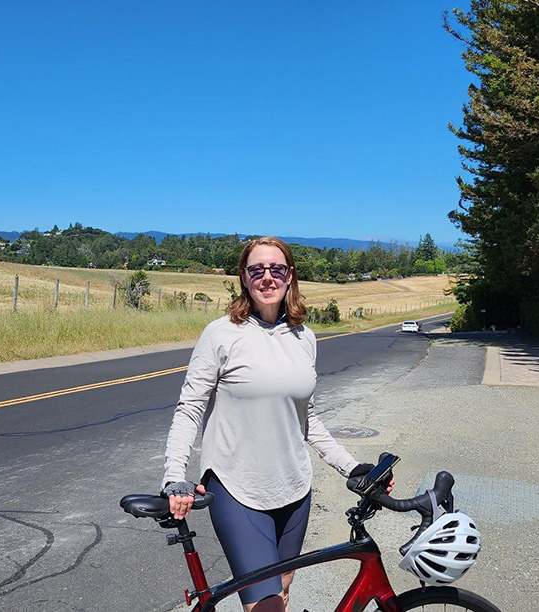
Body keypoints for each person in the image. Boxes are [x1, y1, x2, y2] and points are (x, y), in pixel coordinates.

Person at [161, 236, 385, 612]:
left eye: (276, 269)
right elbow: (189, 409)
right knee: (266, 606)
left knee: (280, 594)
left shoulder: (304, 337)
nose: (267, 277)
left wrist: (352, 465)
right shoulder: (221, 334)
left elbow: (307, 417)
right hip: (237, 489)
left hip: (294, 490)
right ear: (243, 278)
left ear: (290, 276)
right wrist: (174, 475)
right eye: (257, 270)